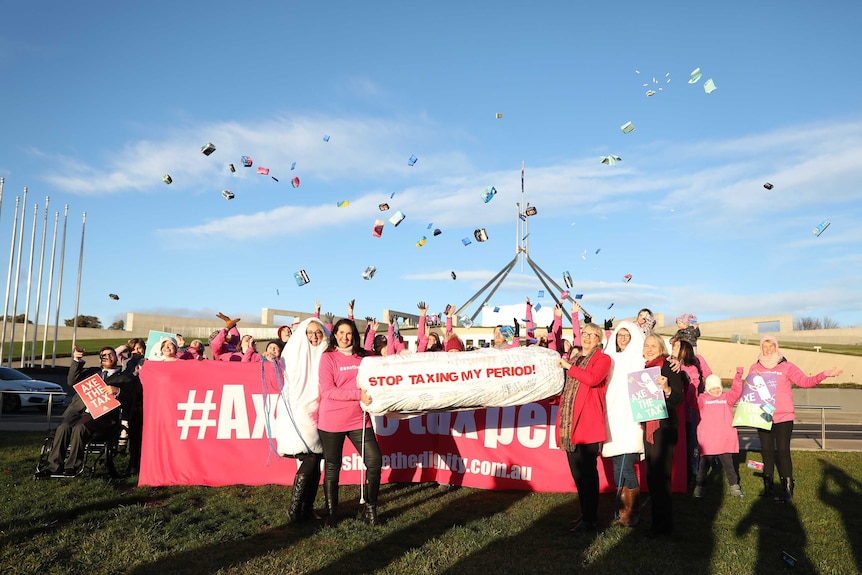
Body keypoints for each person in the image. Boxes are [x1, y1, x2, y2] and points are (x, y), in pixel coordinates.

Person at [748, 335, 843, 502]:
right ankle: (768, 487)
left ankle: (788, 488)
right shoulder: (755, 367)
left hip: (784, 416)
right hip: (763, 415)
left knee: (783, 451)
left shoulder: (787, 366)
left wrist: (825, 374)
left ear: (776, 347)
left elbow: (805, 381)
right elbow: (750, 391)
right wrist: (752, 378)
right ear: (761, 348)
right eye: (765, 346)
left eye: (771, 346)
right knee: (767, 450)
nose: (768, 349)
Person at [317, 318, 383, 527]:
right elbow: (328, 390)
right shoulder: (328, 358)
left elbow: (385, 366)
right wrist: (358, 395)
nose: (345, 337)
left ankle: (369, 508)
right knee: (332, 468)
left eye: (349, 333)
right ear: (334, 334)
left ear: (354, 335)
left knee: (374, 462)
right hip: (332, 421)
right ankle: (331, 514)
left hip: (359, 420)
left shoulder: (364, 357)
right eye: (341, 333)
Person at [36, 346, 135, 477]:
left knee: (80, 427)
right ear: (100, 360)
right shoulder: (91, 372)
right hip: (78, 411)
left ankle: (71, 467)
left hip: (102, 416)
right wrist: (77, 359)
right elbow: (71, 381)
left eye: (111, 354)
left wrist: (118, 391)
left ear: (116, 358)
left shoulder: (125, 378)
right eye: (104, 355)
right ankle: (54, 466)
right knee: (63, 427)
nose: (108, 357)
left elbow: (130, 401)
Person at [554, 322, 611, 532]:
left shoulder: (603, 359)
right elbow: (568, 389)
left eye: (592, 335)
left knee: (588, 474)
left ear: (599, 339)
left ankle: (591, 518)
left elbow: (593, 379)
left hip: (588, 425)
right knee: (577, 474)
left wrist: (570, 368)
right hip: (570, 427)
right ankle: (585, 514)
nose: (586, 338)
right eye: (584, 334)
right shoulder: (576, 359)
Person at [272, 317, 329, 524]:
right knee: (310, 457)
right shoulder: (294, 353)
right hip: (298, 410)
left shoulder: (327, 351)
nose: (314, 336)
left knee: (317, 459)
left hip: (321, 409)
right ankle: (295, 508)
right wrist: (272, 357)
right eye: (310, 332)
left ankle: (306, 507)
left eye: (318, 332)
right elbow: (281, 367)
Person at [602, 320, 647, 527]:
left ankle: (633, 512)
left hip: (630, 418)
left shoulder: (638, 359)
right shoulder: (609, 358)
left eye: (626, 335)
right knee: (616, 466)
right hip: (612, 417)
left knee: (627, 466)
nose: (622, 339)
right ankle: (622, 512)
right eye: (619, 335)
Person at [641, 334, 684, 537]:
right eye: (646, 345)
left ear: (661, 348)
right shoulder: (644, 369)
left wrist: (666, 388)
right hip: (649, 428)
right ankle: (656, 522)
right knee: (652, 476)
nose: (649, 348)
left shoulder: (668, 366)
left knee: (661, 477)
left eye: (653, 345)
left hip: (664, 428)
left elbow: (677, 398)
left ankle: (664, 526)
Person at [671, 337, 714, 490]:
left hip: (689, 411)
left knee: (691, 442)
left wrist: (684, 378)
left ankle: (692, 472)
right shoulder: (671, 364)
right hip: (676, 410)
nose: (673, 348)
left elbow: (693, 388)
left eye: (676, 346)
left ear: (684, 350)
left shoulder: (691, 368)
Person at [693, 373, 744, 499]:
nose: (716, 390)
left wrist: (738, 377)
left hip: (724, 439)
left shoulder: (727, 398)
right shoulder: (703, 399)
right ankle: (700, 486)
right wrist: (693, 385)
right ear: (708, 389)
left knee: (729, 465)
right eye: (713, 388)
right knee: (704, 466)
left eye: (718, 388)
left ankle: (734, 486)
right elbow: (692, 400)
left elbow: (736, 392)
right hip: (708, 440)